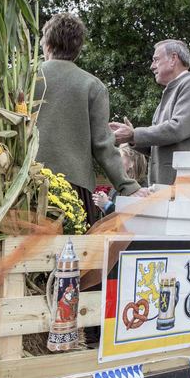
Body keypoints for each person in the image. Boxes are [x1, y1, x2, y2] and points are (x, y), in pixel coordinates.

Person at [35, 13, 149, 226]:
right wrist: (128, 186)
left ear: (47, 44)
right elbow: (103, 145)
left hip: (25, 185)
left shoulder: (26, 78)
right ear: (77, 49)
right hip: (72, 189)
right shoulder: (92, 86)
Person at [110, 39, 190, 185]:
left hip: (185, 188)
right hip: (167, 187)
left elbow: (178, 129)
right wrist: (131, 138)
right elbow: (158, 147)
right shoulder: (171, 92)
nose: (152, 66)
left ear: (173, 59)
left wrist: (134, 134)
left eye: (156, 60)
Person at [92, 143, 148, 214]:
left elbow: (129, 219)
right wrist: (103, 206)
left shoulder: (141, 190)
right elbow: (111, 219)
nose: (116, 163)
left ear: (132, 162)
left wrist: (107, 204)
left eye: (119, 159)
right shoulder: (118, 185)